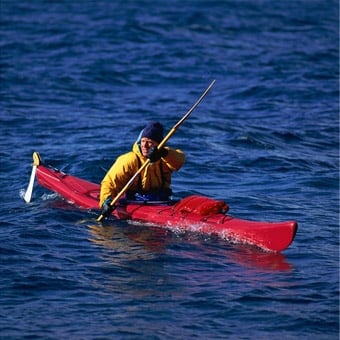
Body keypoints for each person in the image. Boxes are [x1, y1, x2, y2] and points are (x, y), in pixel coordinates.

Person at [99, 121, 185, 214]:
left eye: (150, 142)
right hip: (135, 202)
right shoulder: (129, 160)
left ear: (158, 144)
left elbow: (180, 160)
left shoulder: (165, 156)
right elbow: (110, 183)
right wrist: (106, 201)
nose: (144, 145)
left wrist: (163, 153)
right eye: (143, 141)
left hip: (162, 202)